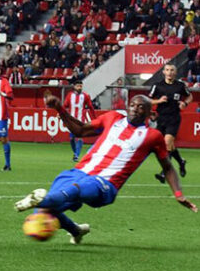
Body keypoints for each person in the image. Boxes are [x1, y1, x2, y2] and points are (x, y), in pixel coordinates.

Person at [15, 95, 197, 244]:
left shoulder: (152, 136)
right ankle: (75, 230)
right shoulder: (113, 118)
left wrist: (178, 193)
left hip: (106, 184)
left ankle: (40, 199)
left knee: (75, 189)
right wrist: (60, 109)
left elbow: (167, 166)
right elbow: (80, 131)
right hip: (80, 171)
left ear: (150, 112)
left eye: (141, 107)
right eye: (132, 104)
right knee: (45, 212)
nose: (134, 108)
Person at [150, 64, 193, 180]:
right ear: (163, 72)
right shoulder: (157, 86)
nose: (169, 72)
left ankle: (164, 173)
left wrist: (185, 103)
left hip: (174, 118)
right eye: (167, 70)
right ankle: (181, 161)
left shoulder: (180, 86)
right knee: (169, 146)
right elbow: (148, 100)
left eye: (172, 70)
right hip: (161, 119)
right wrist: (158, 100)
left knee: (167, 144)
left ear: (175, 72)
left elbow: (190, 96)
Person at [63, 80, 95, 161]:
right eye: (78, 86)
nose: (80, 87)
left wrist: (95, 119)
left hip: (81, 122)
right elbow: (64, 106)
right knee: (71, 139)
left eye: (81, 86)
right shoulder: (70, 96)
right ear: (74, 86)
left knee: (80, 138)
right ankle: (75, 153)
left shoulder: (85, 96)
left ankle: (76, 155)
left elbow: (91, 108)